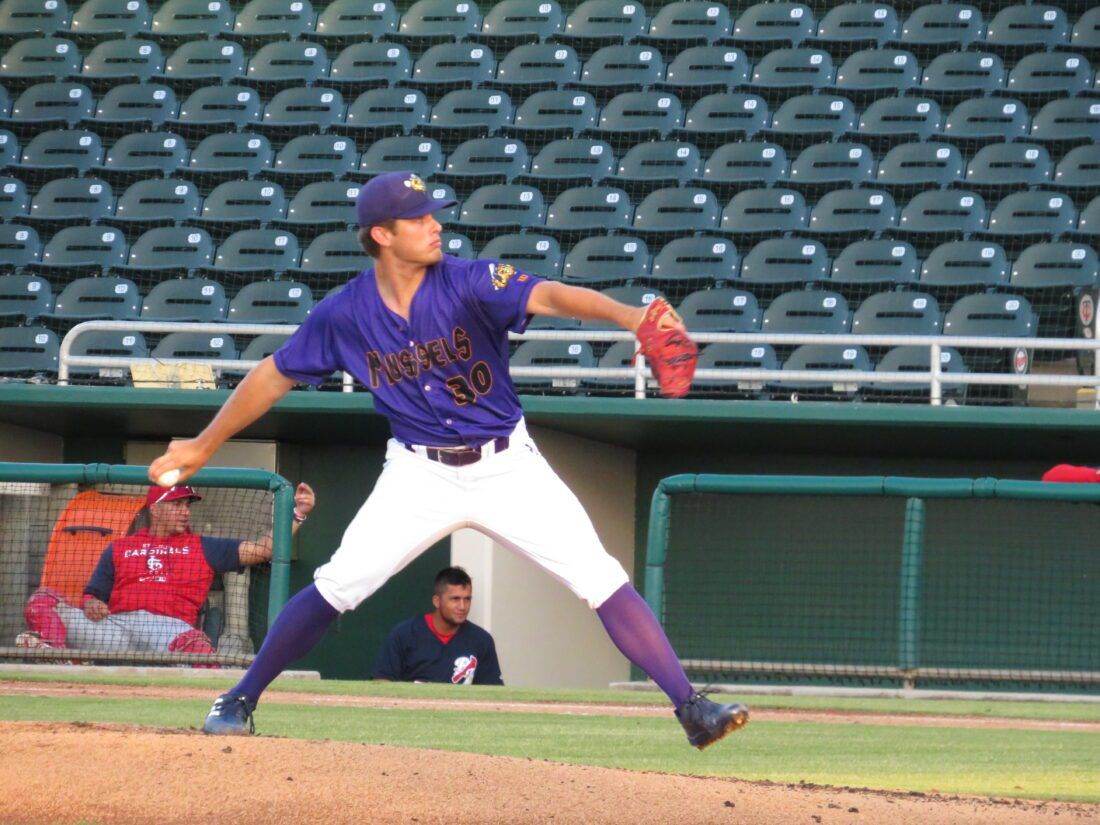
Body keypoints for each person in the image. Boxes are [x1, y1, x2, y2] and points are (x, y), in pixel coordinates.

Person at [150, 170, 748, 748]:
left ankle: (693, 709)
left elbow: (549, 293)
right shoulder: (344, 313)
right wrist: (204, 443)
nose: (434, 224)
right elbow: (273, 374)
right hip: (419, 472)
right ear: (382, 235)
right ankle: (240, 697)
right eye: (418, 218)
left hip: (507, 465)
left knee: (600, 577)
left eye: (432, 212)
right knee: (339, 584)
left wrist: (628, 316)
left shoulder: (470, 279)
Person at [19, 481, 315, 658]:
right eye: (176, 505)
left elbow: (264, 550)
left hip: (168, 631)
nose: (185, 511)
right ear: (155, 509)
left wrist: (298, 514)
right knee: (42, 602)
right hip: (115, 631)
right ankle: (57, 662)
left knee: (198, 648)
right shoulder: (120, 547)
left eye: (187, 505)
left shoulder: (203, 546)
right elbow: (93, 595)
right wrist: (92, 603)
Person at [372, 566, 503, 685]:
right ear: (436, 601)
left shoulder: (481, 640)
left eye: (467, 599)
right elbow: (382, 681)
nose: (462, 607)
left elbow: (492, 691)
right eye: (455, 599)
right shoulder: (404, 634)